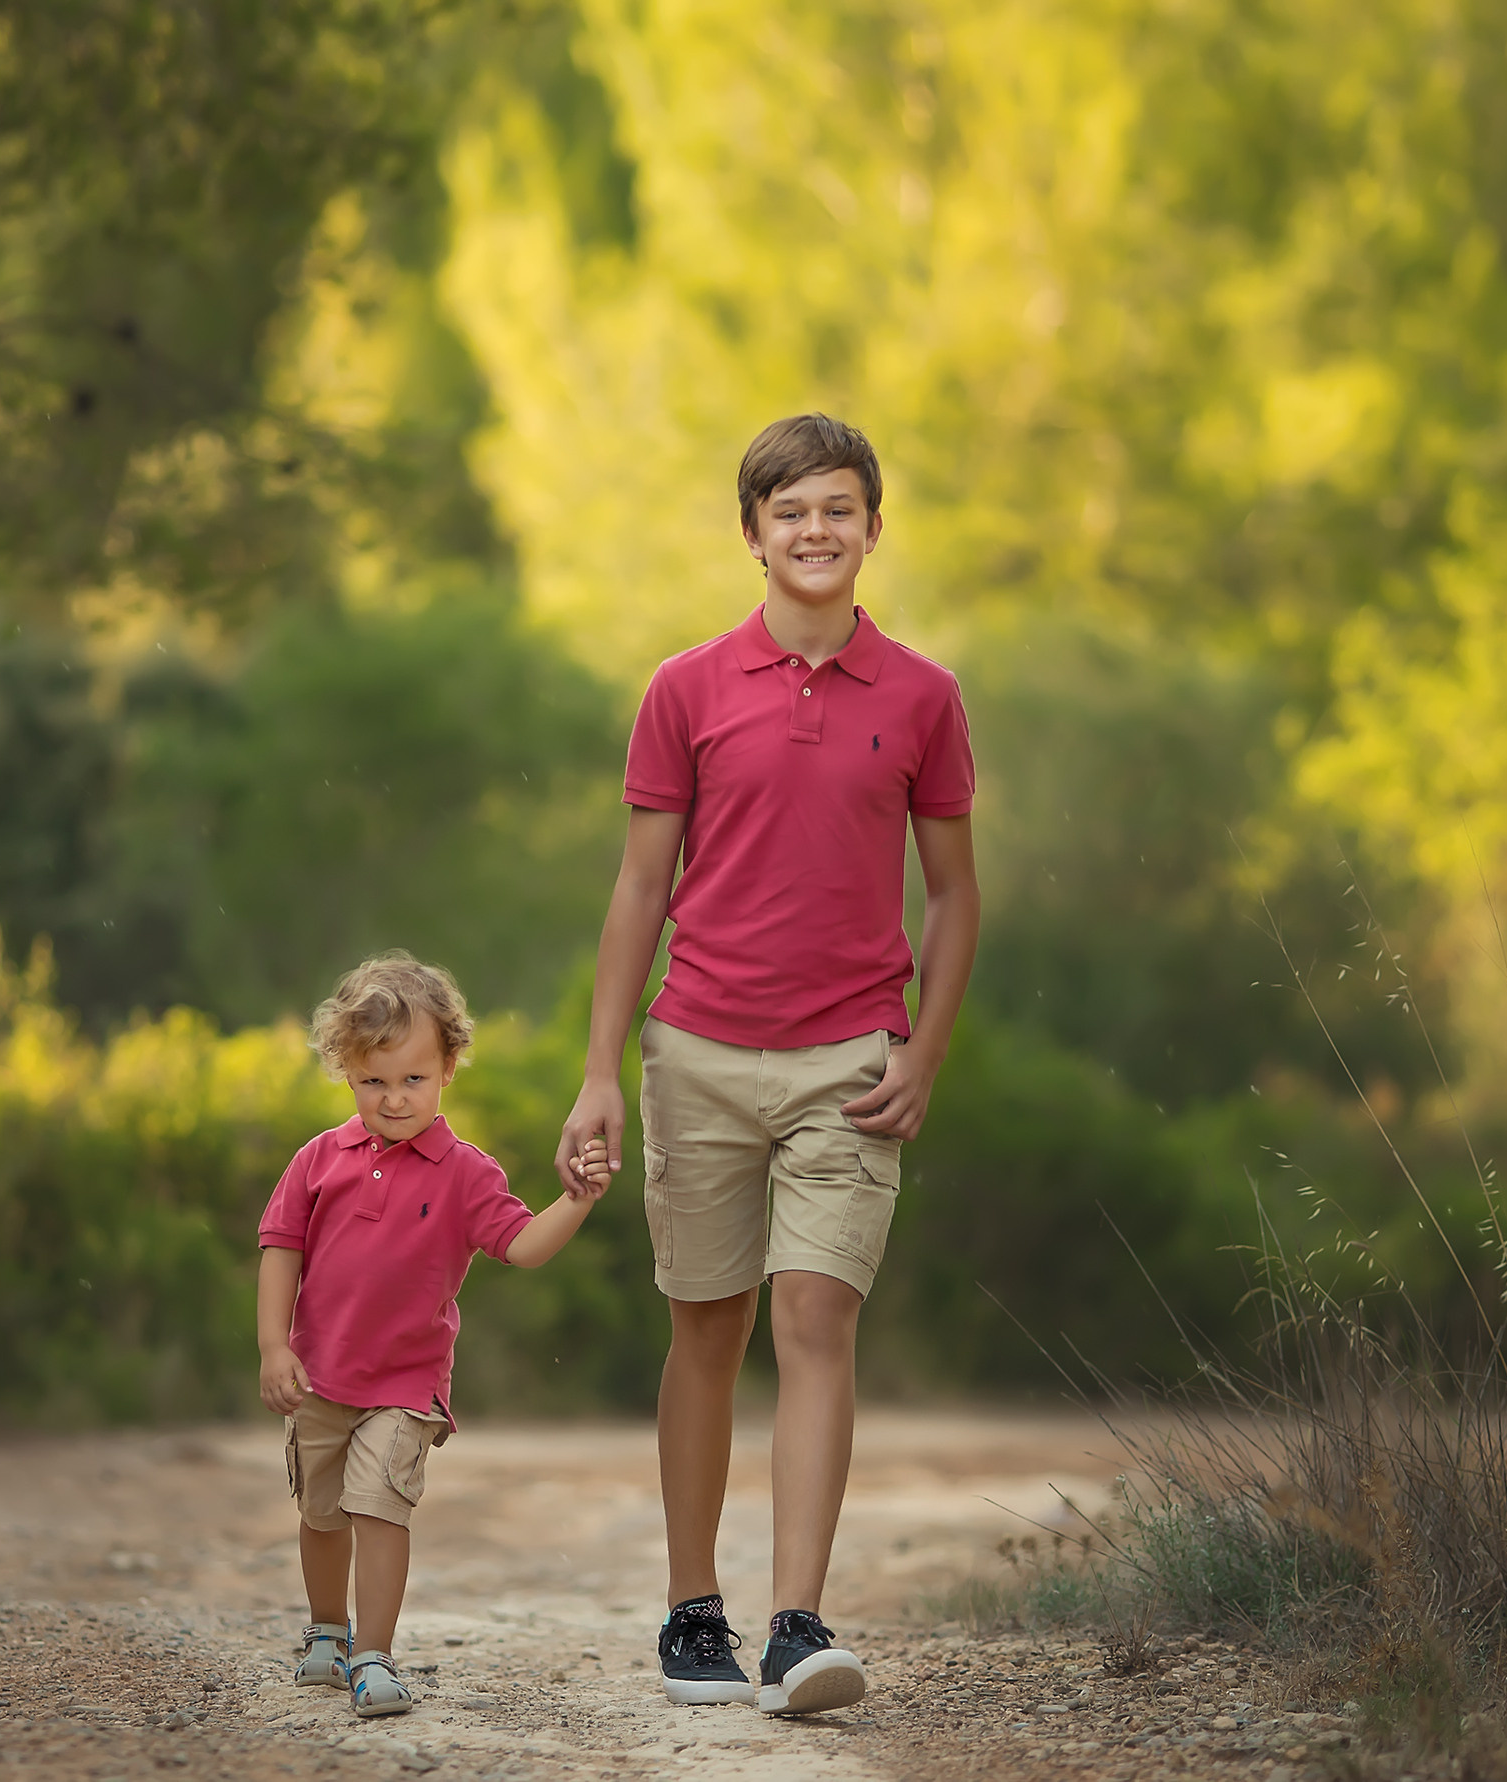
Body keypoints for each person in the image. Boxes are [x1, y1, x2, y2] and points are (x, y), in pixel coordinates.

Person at [553, 413, 979, 1716]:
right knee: (708, 1326)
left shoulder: (921, 695)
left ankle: (798, 1624)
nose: (815, 530)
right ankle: (696, 1613)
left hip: (851, 1055)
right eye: (790, 510)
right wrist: (598, 1069)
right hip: (697, 1047)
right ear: (753, 533)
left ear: (872, 529)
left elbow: (954, 898)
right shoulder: (685, 688)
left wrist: (924, 1052)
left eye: (839, 508)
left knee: (817, 1315)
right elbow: (639, 888)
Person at [259, 951, 612, 1719]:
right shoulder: (318, 1160)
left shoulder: (465, 1174)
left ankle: (375, 1656)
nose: (392, 1099)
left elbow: (522, 1246)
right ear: (346, 1072)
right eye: (373, 1081)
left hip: (406, 1386)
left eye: (412, 1079)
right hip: (320, 1376)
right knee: (321, 1513)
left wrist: (576, 1200)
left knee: (380, 1507)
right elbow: (280, 1246)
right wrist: (273, 1346)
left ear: (449, 1066)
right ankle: (327, 1632)